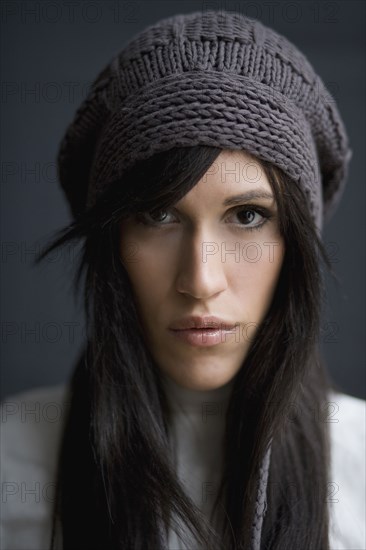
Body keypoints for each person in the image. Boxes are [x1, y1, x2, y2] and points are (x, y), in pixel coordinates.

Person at [0, 9, 365, 550]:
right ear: (113, 243)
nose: (201, 280)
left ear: (295, 247)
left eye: (247, 216)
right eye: (158, 215)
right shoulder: (14, 460)